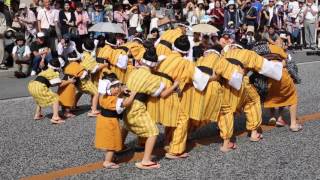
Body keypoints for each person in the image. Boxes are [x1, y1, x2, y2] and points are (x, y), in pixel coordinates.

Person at [125, 47, 179, 169]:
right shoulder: (152, 79)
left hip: (126, 104)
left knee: (125, 125)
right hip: (136, 107)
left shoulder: (134, 71)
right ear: (155, 66)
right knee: (153, 132)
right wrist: (175, 85)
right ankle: (146, 160)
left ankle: (118, 147)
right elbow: (162, 94)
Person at [95, 73, 136, 169]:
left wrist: (121, 91)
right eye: (116, 87)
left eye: (119, 86)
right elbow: (125, 103)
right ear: (109, 89)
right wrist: (132, 95)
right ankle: (107, 161)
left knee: (108, 139)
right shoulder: (113, 100)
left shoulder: (103, 96)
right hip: (110, 122)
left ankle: (111, 157)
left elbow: (116, 94)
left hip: (103, 120)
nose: (119, 88)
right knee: (112, 143)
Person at [28, 57, 75, 124]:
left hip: (32, 85)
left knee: (40, 98)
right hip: (40, 86)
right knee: (55, 98)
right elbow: (60, 84)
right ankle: (55, 117)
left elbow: (52, 83)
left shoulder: (46, 70)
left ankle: (37, 114)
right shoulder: (54, 73)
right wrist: (69, 81)